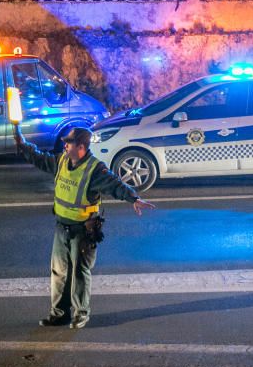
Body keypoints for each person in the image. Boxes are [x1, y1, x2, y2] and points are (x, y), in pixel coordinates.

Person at [14, 125, 155, 329]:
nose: (64, 145)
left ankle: (81, 314)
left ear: (80, 146)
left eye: (68, 142)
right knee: (59, 273)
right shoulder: (62, 161)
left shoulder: (94, 169)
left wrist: (133, 198)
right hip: (62, 227)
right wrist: (22, 145)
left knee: (79, 272)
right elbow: (40, 159)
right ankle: (59, 314)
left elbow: (114, 184)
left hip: (83, 230)